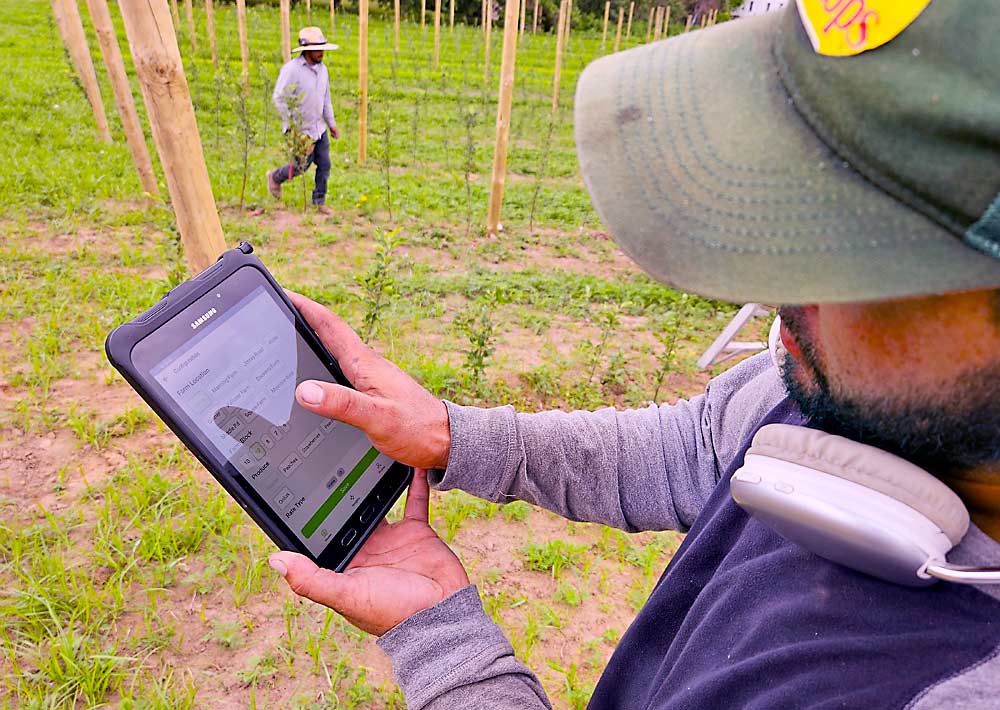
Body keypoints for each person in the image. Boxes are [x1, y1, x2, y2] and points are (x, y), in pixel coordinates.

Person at [267, 1, 1000, 707]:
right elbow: (696, 448)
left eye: (861, 247)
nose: (777, 287)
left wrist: (449, 651)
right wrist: (454, 436)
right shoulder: (834, 387)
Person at [266, 27, 340, 215]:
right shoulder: (292, 70)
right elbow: (279, 98)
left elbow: (326, 99)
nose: (321, 52)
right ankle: (275, 177)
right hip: (300, 130)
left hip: (318, 128)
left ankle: (319, 201)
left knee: (325, 165)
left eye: (322, 48)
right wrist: (294, 128)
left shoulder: (323, 70)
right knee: (301, 167)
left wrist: (331, 124)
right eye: (317, 49)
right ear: (306, 50)